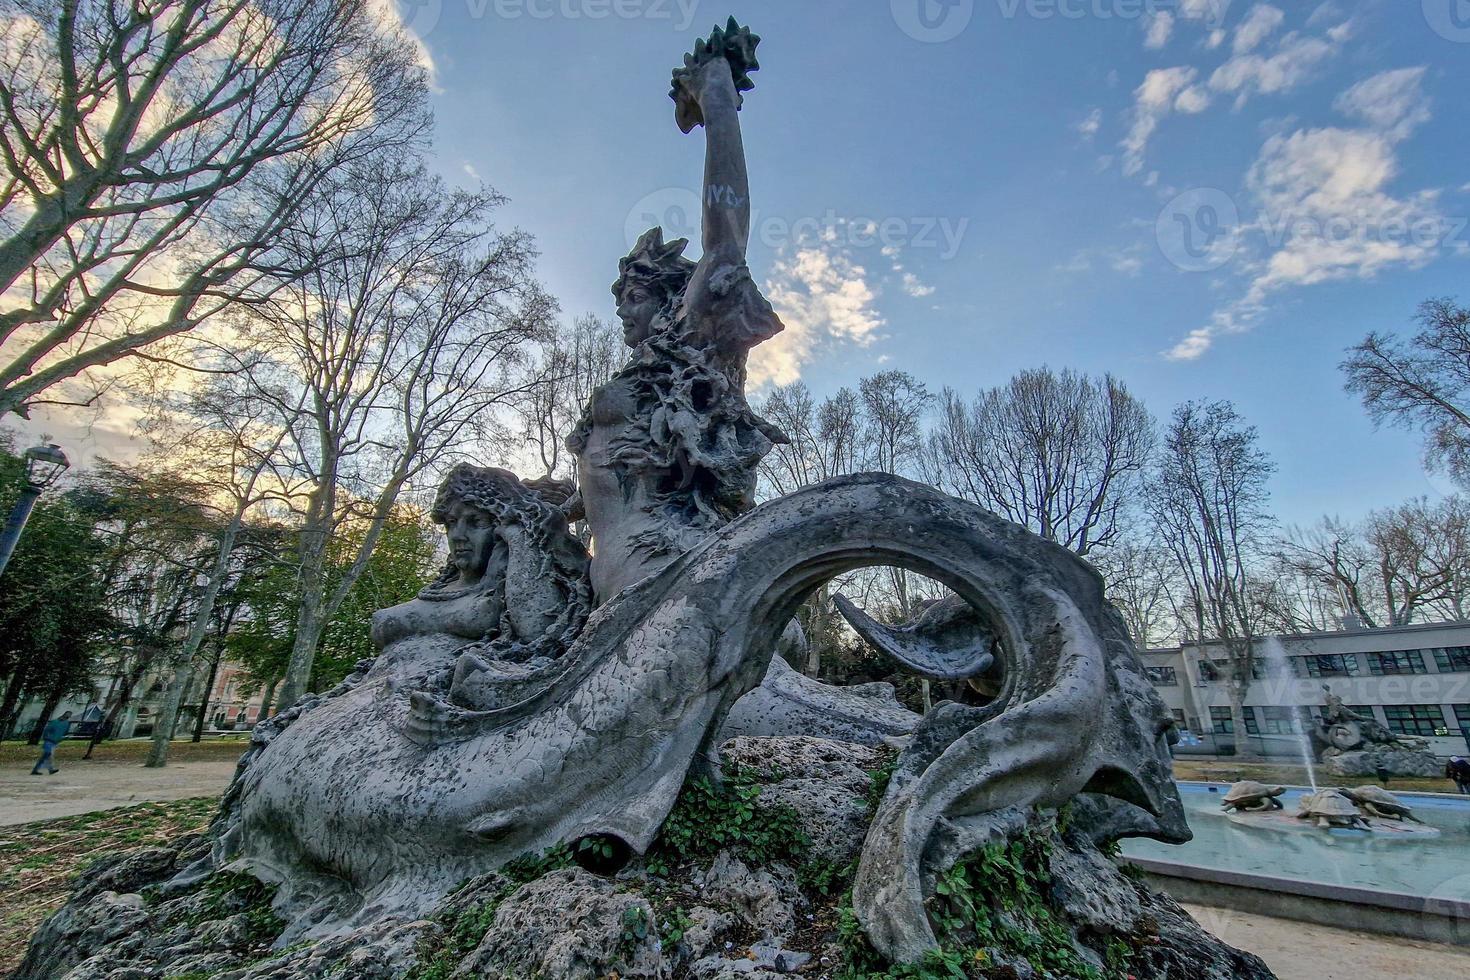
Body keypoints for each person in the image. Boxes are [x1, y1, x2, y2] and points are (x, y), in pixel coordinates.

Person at [30, 711, 72, 775]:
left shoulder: (65, 723)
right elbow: (47, 730)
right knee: (48, 754)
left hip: (54, 741)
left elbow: (63, 732)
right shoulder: (56, 722)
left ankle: (39, 769)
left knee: (46, 756)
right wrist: (46, 737)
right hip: (49, 740)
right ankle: (49, 769)